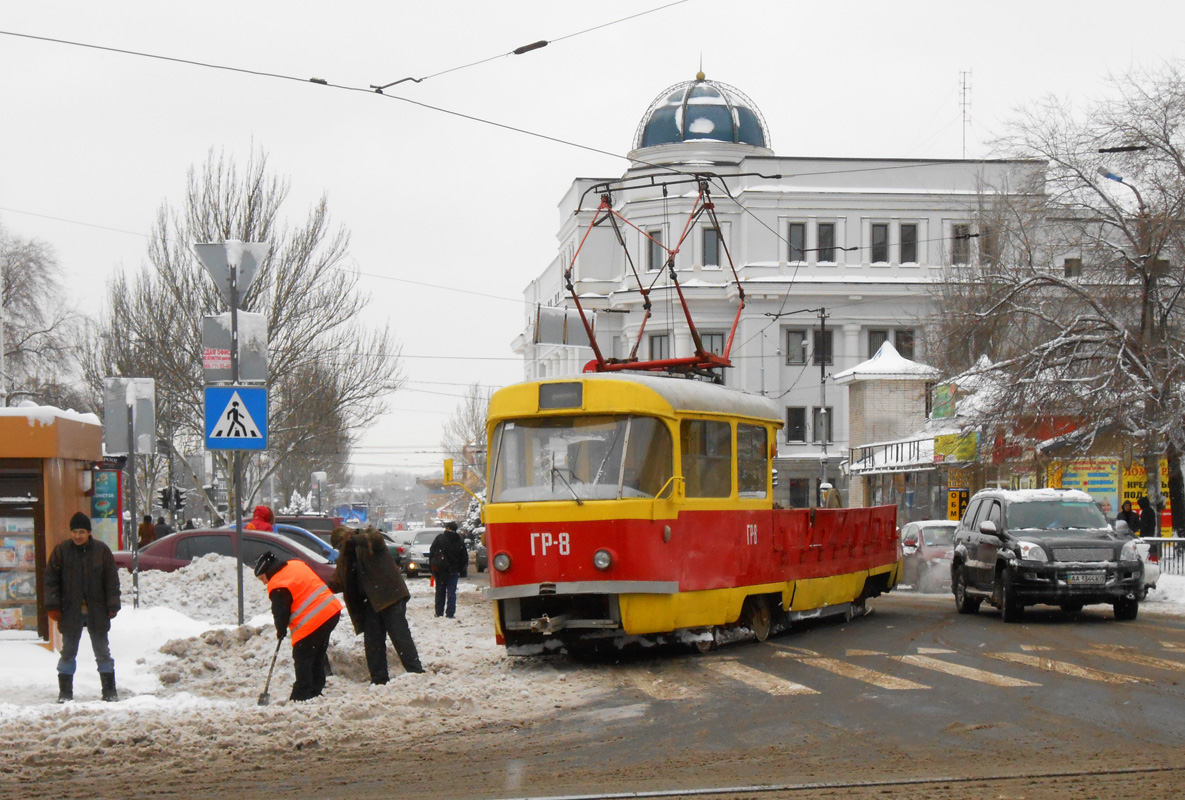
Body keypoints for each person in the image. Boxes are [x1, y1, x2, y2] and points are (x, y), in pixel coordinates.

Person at [328, 525, 424, 681]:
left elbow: (377, 540)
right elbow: (337, 581)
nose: (341, 549)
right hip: (370, 602)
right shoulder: (346, 557)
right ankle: (379, 679)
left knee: (400, 636)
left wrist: (353, 540)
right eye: (339, 547)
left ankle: (416, 673)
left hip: (390, 595)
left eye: (341, 545)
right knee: (373, 643)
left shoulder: (368, 537)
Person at [45, 512, 121, 702]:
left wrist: (112, 605)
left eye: (81, 532)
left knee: (103, 652)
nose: (77, 536)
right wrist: (53, 605)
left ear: (89, 532)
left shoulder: (101, 551)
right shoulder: (61, 551)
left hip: (97, 610)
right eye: (74, 532)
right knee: (68, 653)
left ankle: (109, 691)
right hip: (70, 611)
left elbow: (111, 581)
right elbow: (51, 581)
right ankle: (65, 693)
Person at [254, 551, 342, 701]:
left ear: (267, 571)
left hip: (314, 619)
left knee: (303, 656)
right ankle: (315, 689)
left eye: (263, 578)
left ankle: (301, 695)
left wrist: (280, 630)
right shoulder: (296, 565)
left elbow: (280, 612)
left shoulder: (277, 584)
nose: (264, 583)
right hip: (331, 611)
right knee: (317, 653)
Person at [429, 521, 468, 619]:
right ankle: (450, 613)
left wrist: (432, 566)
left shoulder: (440, 538)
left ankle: (439, 612)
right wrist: (461, 569)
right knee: (451, 592)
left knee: (440, 591)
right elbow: (464, 557)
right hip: (453, 571)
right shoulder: (459, 540)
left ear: (447, 528)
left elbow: (432, 552)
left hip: (440, 570)